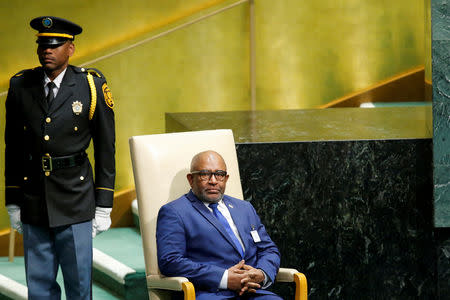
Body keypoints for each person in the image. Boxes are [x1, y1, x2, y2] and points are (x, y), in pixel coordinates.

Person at [4, 16, 115, 299]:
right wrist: (13, 199)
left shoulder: (90, 85)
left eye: (55, 45)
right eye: (42, 45)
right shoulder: (21, 85)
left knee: (79, 287)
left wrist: (103, 204)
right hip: (34, 198)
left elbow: (105, 147)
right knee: (39, 289)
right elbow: (13, 148)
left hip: (76, 198)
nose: (47, 51)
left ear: (71, 49)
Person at [157, 150, 282, 300]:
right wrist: (224, 278)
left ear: (226, 178)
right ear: (191, 179)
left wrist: (261, 273)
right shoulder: (174, 212)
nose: (213, 181)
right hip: (208, 293)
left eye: (220, 174)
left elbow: (269, 249)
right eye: (205, 174)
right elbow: (171, 261)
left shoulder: (244, 208)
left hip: (253, 292)